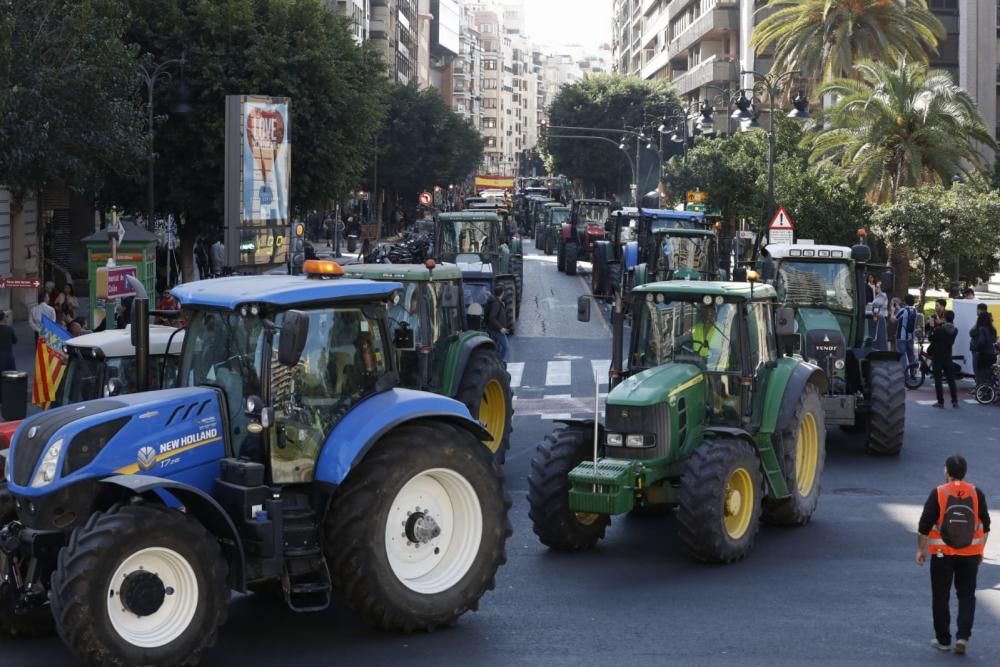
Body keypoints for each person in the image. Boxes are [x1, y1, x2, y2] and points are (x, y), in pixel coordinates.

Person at [917, 455, 990, 655]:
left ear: (946, 472)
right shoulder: (976, 494)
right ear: (964, 472)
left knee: (941, 596)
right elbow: (986, 525)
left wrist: (921, 550)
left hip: (942, 554)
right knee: (966, 596)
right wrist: (980, 550)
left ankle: (943, 640)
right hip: (970, 554)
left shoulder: (939, 492)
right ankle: (963, 637)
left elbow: (924, 526)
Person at [928, 310, 959, 408]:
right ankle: (955, 401)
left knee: (938, 380)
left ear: (944, 318)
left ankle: (940, 402)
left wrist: (932, 327)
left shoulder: (939, 330)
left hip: (938, 357)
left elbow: (930, 338)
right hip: (948, 356)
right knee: (951, 380)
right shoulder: (955, 330)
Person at [891, 294, 918, 379]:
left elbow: (893, 320)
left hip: (901, 337)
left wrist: (892, 311)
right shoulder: (915, 310)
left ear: (905, 301)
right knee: (911, 356)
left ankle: (905, 376)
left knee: (902, 356)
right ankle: (913, 374)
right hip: (910, 337)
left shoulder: (903, 310)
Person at [968, 311, 997, 386]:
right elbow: (994, 340)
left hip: (983, 355)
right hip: (992, 354)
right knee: (989, 375)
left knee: (980, 375)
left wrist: (975, 347)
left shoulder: (981, 329)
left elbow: (981, 341)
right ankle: (990, 392)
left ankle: (981, 391)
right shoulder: (993, 330)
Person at [485, 287, 509, 362]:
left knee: (496, 347)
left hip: (492, 328)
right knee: (506, 347)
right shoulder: (496, 303)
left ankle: (494, 361)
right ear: (502, 293)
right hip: (497, 330)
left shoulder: (496, 301)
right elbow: (492, 317)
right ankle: (499, 361)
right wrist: (501, 328)